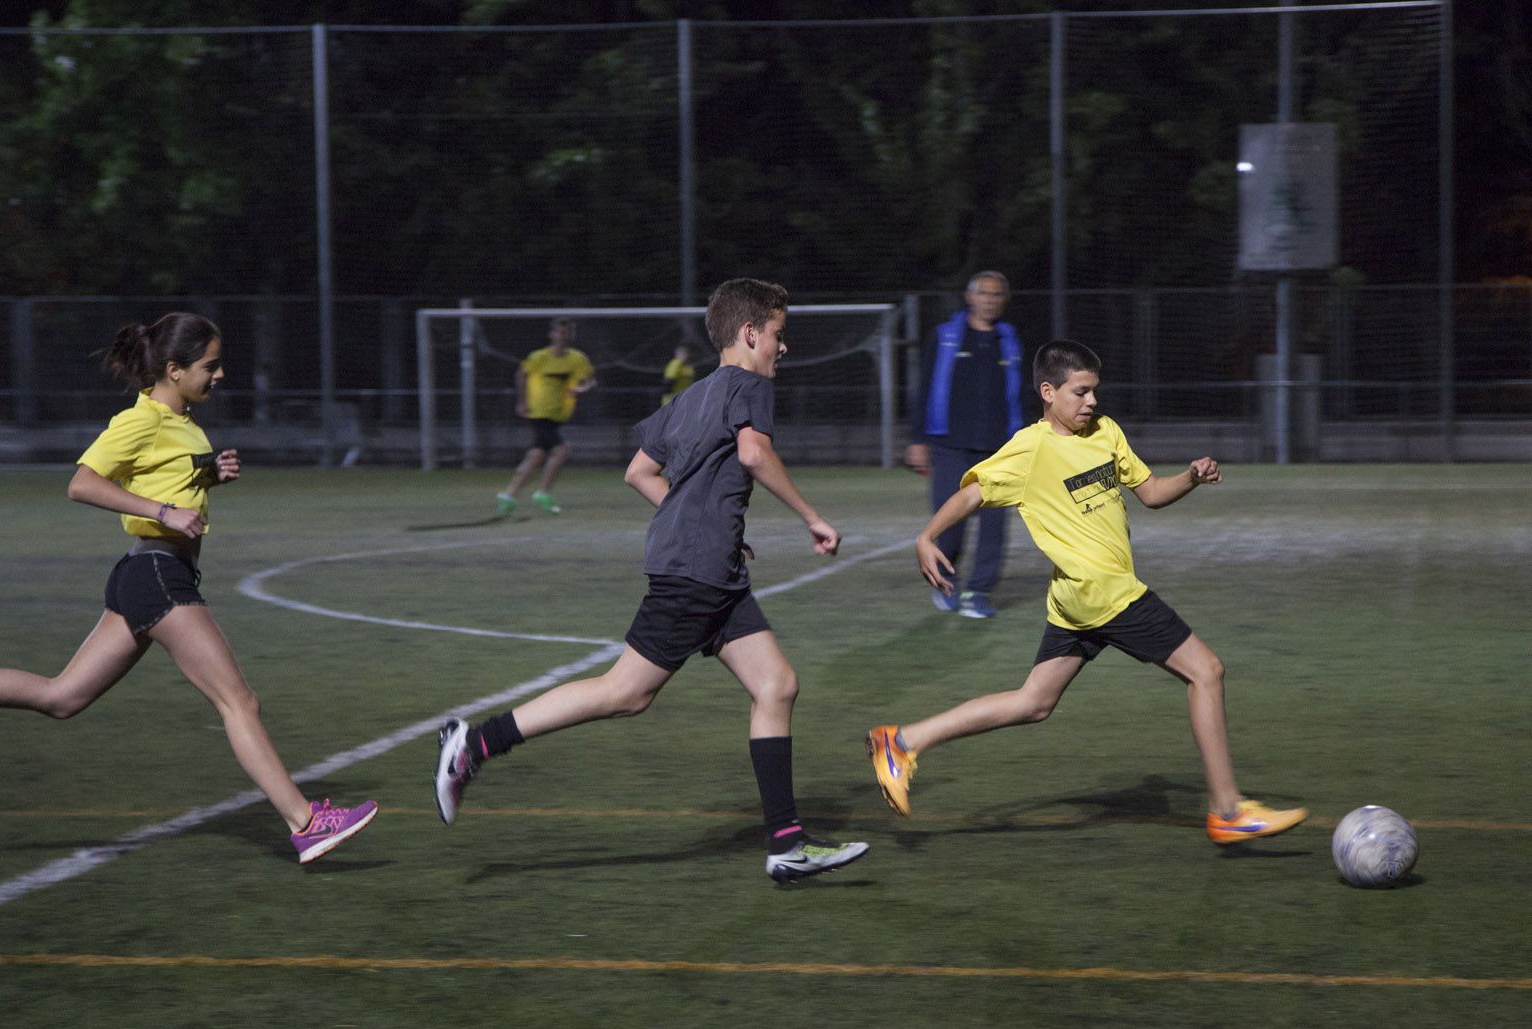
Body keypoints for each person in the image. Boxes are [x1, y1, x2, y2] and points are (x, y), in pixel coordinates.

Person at [437, 279, 869, 884]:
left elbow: (639, 471)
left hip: (712, 567)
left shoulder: (693, 396)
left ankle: (787, 844)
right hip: (696, 572)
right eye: (777, 333)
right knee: (625, 693)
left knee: (776, 684)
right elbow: (752, 454)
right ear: (750, 334)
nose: (783, 347)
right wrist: (812, 517)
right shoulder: (750, 385)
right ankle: (475, 745)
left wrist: (705, 523)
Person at [0, 313, 378, 864]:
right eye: (209, 366)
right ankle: (306, 822)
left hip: (148, 573)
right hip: (156, 574)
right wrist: (162, 509)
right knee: (238, 700)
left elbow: (162, 476)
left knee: (61, 696)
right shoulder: (140, 420)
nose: (219, 374)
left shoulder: (185, 420)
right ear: (173, 368)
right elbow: (82, 484)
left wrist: (208, 476)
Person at [868, 339, 1307, 845]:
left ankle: (901, 742)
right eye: (1081, 392)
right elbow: (973, 492)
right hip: (1108, 595)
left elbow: (1150, 494)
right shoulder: (1030, 449)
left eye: (1094, 391)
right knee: (1207, 671)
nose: (1092, 401)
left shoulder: (1106, 433)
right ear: (1048, 392)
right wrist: (926, 537)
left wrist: (1189, 476)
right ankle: (1228, 811)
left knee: (1033, 703)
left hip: (1076, 600)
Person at [906, 270, 1026, 619]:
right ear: (970, 297)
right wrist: (917, 440)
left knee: (994, 526)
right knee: (950, 523)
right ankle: (944, 581)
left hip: (998, 449)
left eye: (996, 294)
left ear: (1003, 300)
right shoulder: (945, 337)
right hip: (949, 445)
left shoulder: (1011, 342)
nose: (989, 299)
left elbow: (1020, 396)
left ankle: (978, 593)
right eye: (983, 293)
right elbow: (924, 388)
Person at [496, 317, 596, 516]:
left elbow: (590, 381)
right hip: (539, 412)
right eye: (560, 332)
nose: (563, 336)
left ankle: (509, 495)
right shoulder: (539, 357)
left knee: (537, 455)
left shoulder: (577, 359)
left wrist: (581, 389)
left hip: (557, 415)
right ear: (552, 334)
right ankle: (544, 492)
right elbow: (520, 375)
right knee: (561, 451)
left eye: (567, 332)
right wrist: (522, 401)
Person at [660, 341, 696, 406]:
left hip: (684, 398)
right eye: (684, 354)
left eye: (687, 353)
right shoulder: (675, 363)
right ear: (678, 354)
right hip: (673, 399)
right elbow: (668, 381)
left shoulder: (688, 366)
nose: (687, 356)